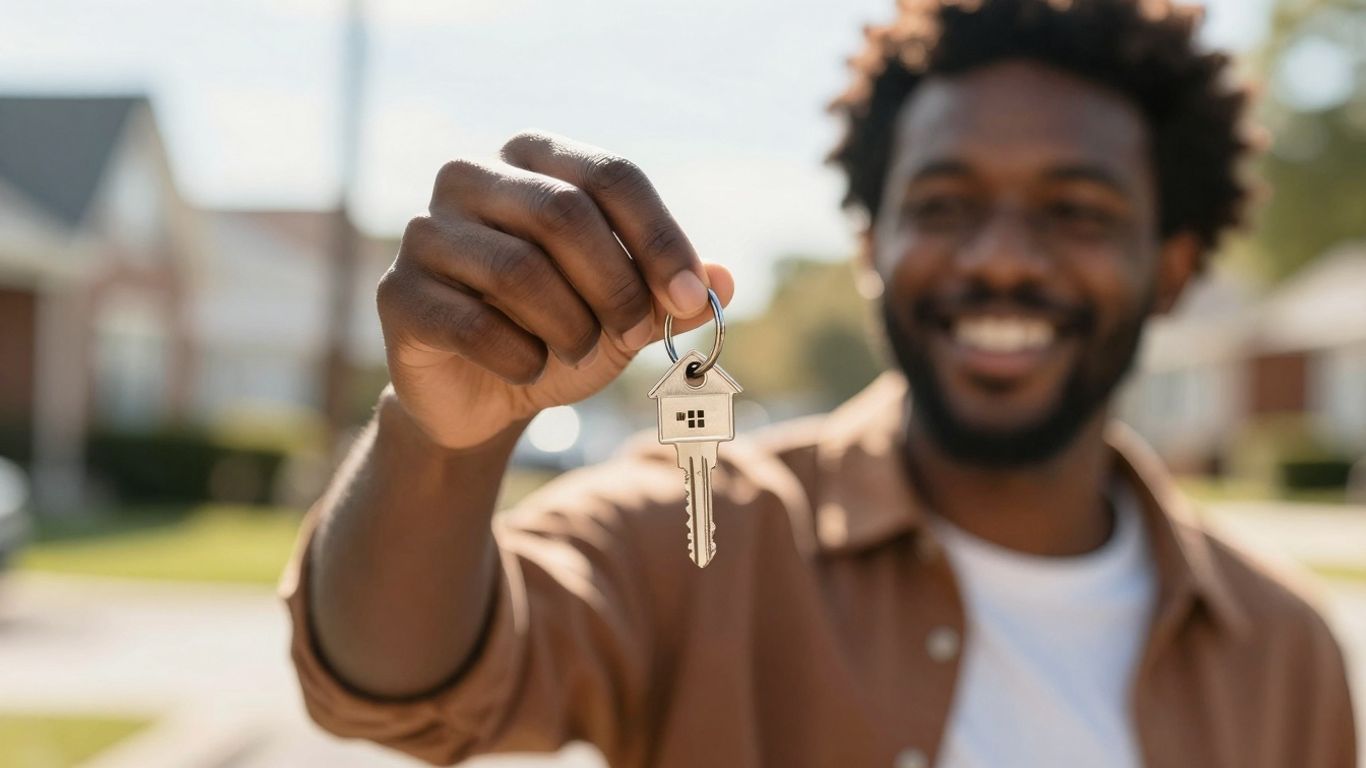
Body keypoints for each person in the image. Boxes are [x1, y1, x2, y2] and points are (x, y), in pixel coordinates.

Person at [281, 1, 1357, 766]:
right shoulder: (695, 540)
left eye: (1075, 211)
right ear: (872, 245)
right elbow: (395, 687)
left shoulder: (1283, 649)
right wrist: (440, 441)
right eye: (942, 202)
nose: (1000, 258)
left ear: (1169, 266)